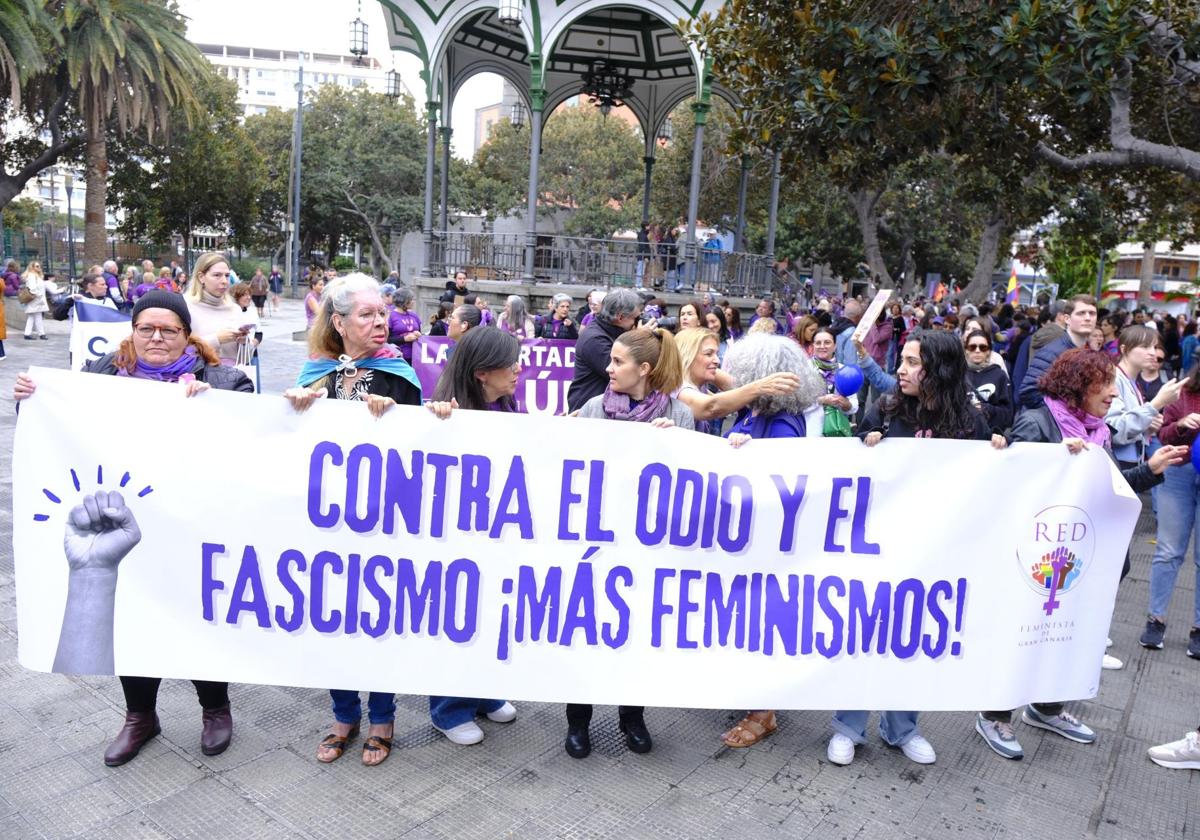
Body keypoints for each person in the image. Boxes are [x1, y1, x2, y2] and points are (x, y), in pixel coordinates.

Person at [14, 289, 252, 766]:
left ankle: (215, 708)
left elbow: (250, 442)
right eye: (146, 328)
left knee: (196, 615)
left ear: (188, 334)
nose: (157, 337)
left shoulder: (226, 379)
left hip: (193, 525)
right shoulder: (101, 376)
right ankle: (140, 716)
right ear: (134, 331)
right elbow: (56, 429)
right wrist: (32, 402)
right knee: (132, 617)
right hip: (125, 523)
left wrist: (215, 407)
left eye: (170, 329)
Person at [975, 348, 1185, 760]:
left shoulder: (1098, 431)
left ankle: (1047, 707)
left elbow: (1111, 485)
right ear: (1078, 387)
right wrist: (1056, 461)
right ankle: (994, 714)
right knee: (1024, 632)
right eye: (1103, 385)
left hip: (1079, 559)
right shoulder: (1038, 423)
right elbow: (1011, 487)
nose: (1112, 393)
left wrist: (1152, 470)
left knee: (1069, 633)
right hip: (1038, 562)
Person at [830, 330, 1000, 768]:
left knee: (913, 639)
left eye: (911, 362)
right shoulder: (887, 409)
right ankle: (848, 727)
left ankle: (902, 727)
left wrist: (1002, 449)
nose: (900, 370)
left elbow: (991, 484)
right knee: (864, 634)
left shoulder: (969, 422)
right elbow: (850, 470)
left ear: (938, 369)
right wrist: (865, 444)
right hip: (879, 549)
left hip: (935, 552)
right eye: (901, 360)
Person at [283, 273, 422, 767]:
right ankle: (344, 715)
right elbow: (289, 446)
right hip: (328, 524)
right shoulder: (315, 374)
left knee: (380, 619)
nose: (380, 322)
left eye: (382, 313)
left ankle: (382, 718)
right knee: (334, 621)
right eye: (366, 314)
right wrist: (297, 409)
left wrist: (400, 415)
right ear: (338, 322)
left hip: (385, 522)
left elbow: (424, 447)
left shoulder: (399, 374)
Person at [568, 327, 692, 758]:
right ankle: (578, 722)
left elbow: (690, 487)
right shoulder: (592, 409)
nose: (608, 368)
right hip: (594, 543)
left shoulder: (679, 417)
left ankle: (631, 717)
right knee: (585, 634)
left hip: (645, 549)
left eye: (618, 362)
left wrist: (672, 449)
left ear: (644, 369)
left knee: (634, 635)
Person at [717, 333, 825, 747]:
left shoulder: (781, 425)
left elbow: (778, 488)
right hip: (748, 544)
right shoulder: (756, 412)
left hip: (765, 550)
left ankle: (764, 713)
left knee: (758, 623)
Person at [422, 328, 528, 743]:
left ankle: (482, 692)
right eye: (510, 363)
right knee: (456, 619)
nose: (519, 369)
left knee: (488, 615)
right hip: (454, 541)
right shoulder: (440, 415)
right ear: (482, 373)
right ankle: (448, 709)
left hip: (495, 537)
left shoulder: (504, 408)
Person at [1140, 358, 1200, 656]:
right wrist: (1181, 425)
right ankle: (1156, 619)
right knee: (1168, 550)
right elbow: (1161, 434)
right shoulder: (1185, 391)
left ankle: (1198, 630)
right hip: (1178, 471)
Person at [674, 328, 802, 437]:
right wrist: (760, 386)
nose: (717, 361)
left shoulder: (701, 374)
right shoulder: (678, 387)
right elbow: (711, 407)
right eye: (709, 354)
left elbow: (737, 386)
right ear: (687, 356)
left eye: (716, 354)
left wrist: (760, 375)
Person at [566, 288, 644, 413]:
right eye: (636, 317)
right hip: (590, 413)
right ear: (620, 317)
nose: (638, 322)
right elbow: (624, 374)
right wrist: (641, 338)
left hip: (603, 408)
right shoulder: (595, 339)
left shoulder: (609, 332)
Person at [1018, 295, 1097, 409]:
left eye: (1092, 313)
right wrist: (1065, 413)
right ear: (1067, 319)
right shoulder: (1052, 351)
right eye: (1081, 313)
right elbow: (1029, 392)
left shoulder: (1088, 351)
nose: (1088, 318)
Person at [184, 253, 252, 365]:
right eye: (217, 275)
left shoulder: (234, 309)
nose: (224, 281)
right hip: (199, 378)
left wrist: (244, 343)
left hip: (232, 378)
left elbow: (244, 359)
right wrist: (217, 339)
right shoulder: (185, 307)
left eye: (227, 275)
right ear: (201, 277)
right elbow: (179, 352)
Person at [964, 330, 1014, 435]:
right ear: (966, 350)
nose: (977, 351)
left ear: (989, 351)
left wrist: (986, 409)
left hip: (989, 438)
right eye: (972, 347)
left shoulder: (1000, 375)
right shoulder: (957, 374)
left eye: (983, 347)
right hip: (961, 436)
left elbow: (1008, 416)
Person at [810, 328, 858, 432]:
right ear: (813, 345)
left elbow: (854, 404)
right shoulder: (804, 369)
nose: (822, 346)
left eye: (827, 342)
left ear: (835, 346)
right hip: (810, 428)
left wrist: (846, 404)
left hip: (837, 429)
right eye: (818, 343)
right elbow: (797, 402)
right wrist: (821, 400)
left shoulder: (843, 370)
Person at [53, 272, 118, 319]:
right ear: (90, 286)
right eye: (102, 284)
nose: (106, 287)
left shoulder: (108, 301)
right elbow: (58, 316)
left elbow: (117, 318)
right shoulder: (76, 299)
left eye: (105, 284)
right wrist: (70, 302)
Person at [387, 287, 424, 362]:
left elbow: (421, 334)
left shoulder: (414, 315)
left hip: (415, 356)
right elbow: (387, 340)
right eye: (411, 299)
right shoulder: (391, 316)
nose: (413, 301)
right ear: (404, 301)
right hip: (397, 357)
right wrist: (404, 339)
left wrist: (419, 334)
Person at [20, 260, 50, 340]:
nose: (39, 267)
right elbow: (33, 288)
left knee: (34, 316)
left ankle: (32, 334)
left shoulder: (36, 275)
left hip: (36, 299)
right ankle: (40, 334)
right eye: (37, 266)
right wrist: (38, 295)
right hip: (35, 299)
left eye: (39, 266)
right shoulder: (32, 275)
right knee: (35, 316)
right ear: (32, 267)